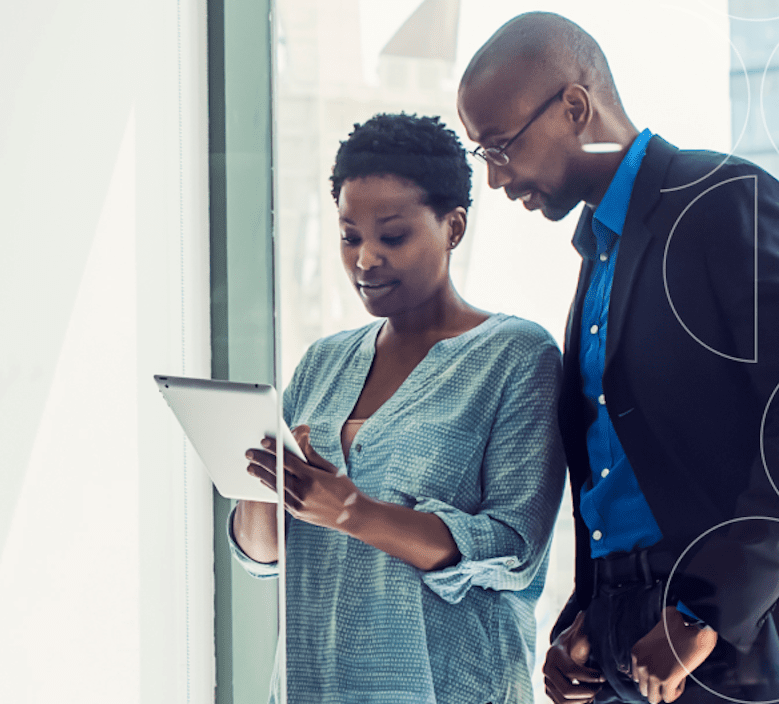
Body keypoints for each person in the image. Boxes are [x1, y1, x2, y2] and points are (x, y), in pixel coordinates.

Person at [454, 13, 779, 704]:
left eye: (501, 146)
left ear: (574, 107)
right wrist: (584, 616)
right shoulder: (600, 253)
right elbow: (620, 470)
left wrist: (702, 611)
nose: (496, 177)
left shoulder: (723, 200)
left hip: (743, 641)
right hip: (630, 643)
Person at [233, 112, 566, 704]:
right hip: (317, 685)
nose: (364, 259)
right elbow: (260, 556)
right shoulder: (321, 364)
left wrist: (352, 511)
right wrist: (268, 483)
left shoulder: (517, 355)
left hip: (452, 687)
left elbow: (512, 549)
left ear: (453, 227)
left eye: (392, 236)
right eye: (349, 235)